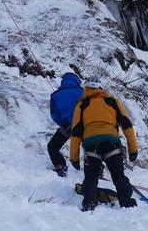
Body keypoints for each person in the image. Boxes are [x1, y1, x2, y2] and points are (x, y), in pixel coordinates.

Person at [69, 78, 138, 211]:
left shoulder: (82, 104)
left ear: (86, 89)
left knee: (91, 177)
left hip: (91, 145)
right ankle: (127, 203)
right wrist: (133, 149)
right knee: (118, 176)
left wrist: (74, 157)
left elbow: (76, 131)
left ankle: (89, 202)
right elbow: (126, 125)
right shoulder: (112, 102)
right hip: (111, 143)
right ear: (101, 89)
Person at [47, 72, 83, 177]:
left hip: (66, 126)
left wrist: (63, 124)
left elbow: (54, 114)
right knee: (90, 147)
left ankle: (60, 165)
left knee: (52, 146)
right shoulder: (82, 92)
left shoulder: (55, 95)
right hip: (83, 125)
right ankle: (97, 169)